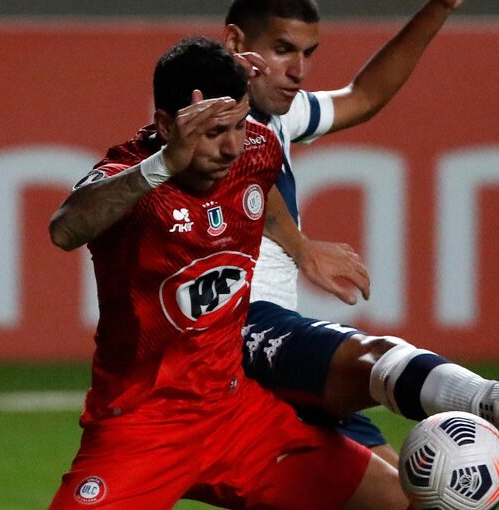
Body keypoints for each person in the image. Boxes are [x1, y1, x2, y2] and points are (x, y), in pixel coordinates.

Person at [47, 36, 408, 509]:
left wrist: (300, 249)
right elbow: (65, 228)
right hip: (142, 426)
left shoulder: (254, 150)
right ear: (164, 126)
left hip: (236, 416)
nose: (232, 147)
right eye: (214, 133)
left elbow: (263, 190)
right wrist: (163, 165)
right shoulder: (130, 174)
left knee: (399, 500)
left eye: (239, 125)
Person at [223, 0, 499, 462]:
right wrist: (302, 248)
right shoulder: (201, 116)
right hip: (231, 325)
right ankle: (493, 402)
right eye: (282, 49)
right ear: (236, 43)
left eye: (308, 53)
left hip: (271, 336)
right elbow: (243, 170)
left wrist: (438, 8)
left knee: (401, 494)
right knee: (372, 357)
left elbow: (365, 96)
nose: (298, 69)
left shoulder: (278, 114)